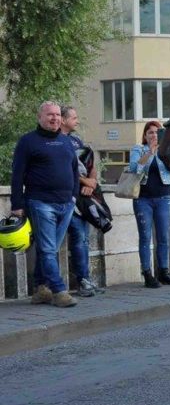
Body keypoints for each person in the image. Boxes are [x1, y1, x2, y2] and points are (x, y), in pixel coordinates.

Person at [10, 101, 79, 307]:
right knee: (49, 250)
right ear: (39, 117)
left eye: (57, 115)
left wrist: (74, 196)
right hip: (40, 203)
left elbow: (74, 170)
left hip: (66, 204)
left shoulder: (66, 141)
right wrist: (17, 204)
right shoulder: (28, 142)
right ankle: (59, 291)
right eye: (50, 115)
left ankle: (41, 289)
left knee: (48, 249)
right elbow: (17, 175)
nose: (54, 118)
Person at [128, 121, 170, 287]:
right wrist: (150, 153)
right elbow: (134, 169)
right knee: (145, 237)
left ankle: (163, 272)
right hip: (143, 199)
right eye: (150, 132)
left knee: (163, 237)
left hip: (163, 197)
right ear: (145, 135)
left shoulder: (165, 150)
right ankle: (147, 274)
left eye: (157, 132)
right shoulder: (138, 149)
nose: (153, 135)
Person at [59, 106, 102, 298]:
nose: (77, 120)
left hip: (83, 198)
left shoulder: (77, 141)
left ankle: (86, 280)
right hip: (67, 198)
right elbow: (64, 170)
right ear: (63, 120)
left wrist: (91, 183)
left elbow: (90, 164)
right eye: (74, 117)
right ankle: (77, 281)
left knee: (83, 238)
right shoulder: (57, 141)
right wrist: (86, 182)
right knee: (77, 236)